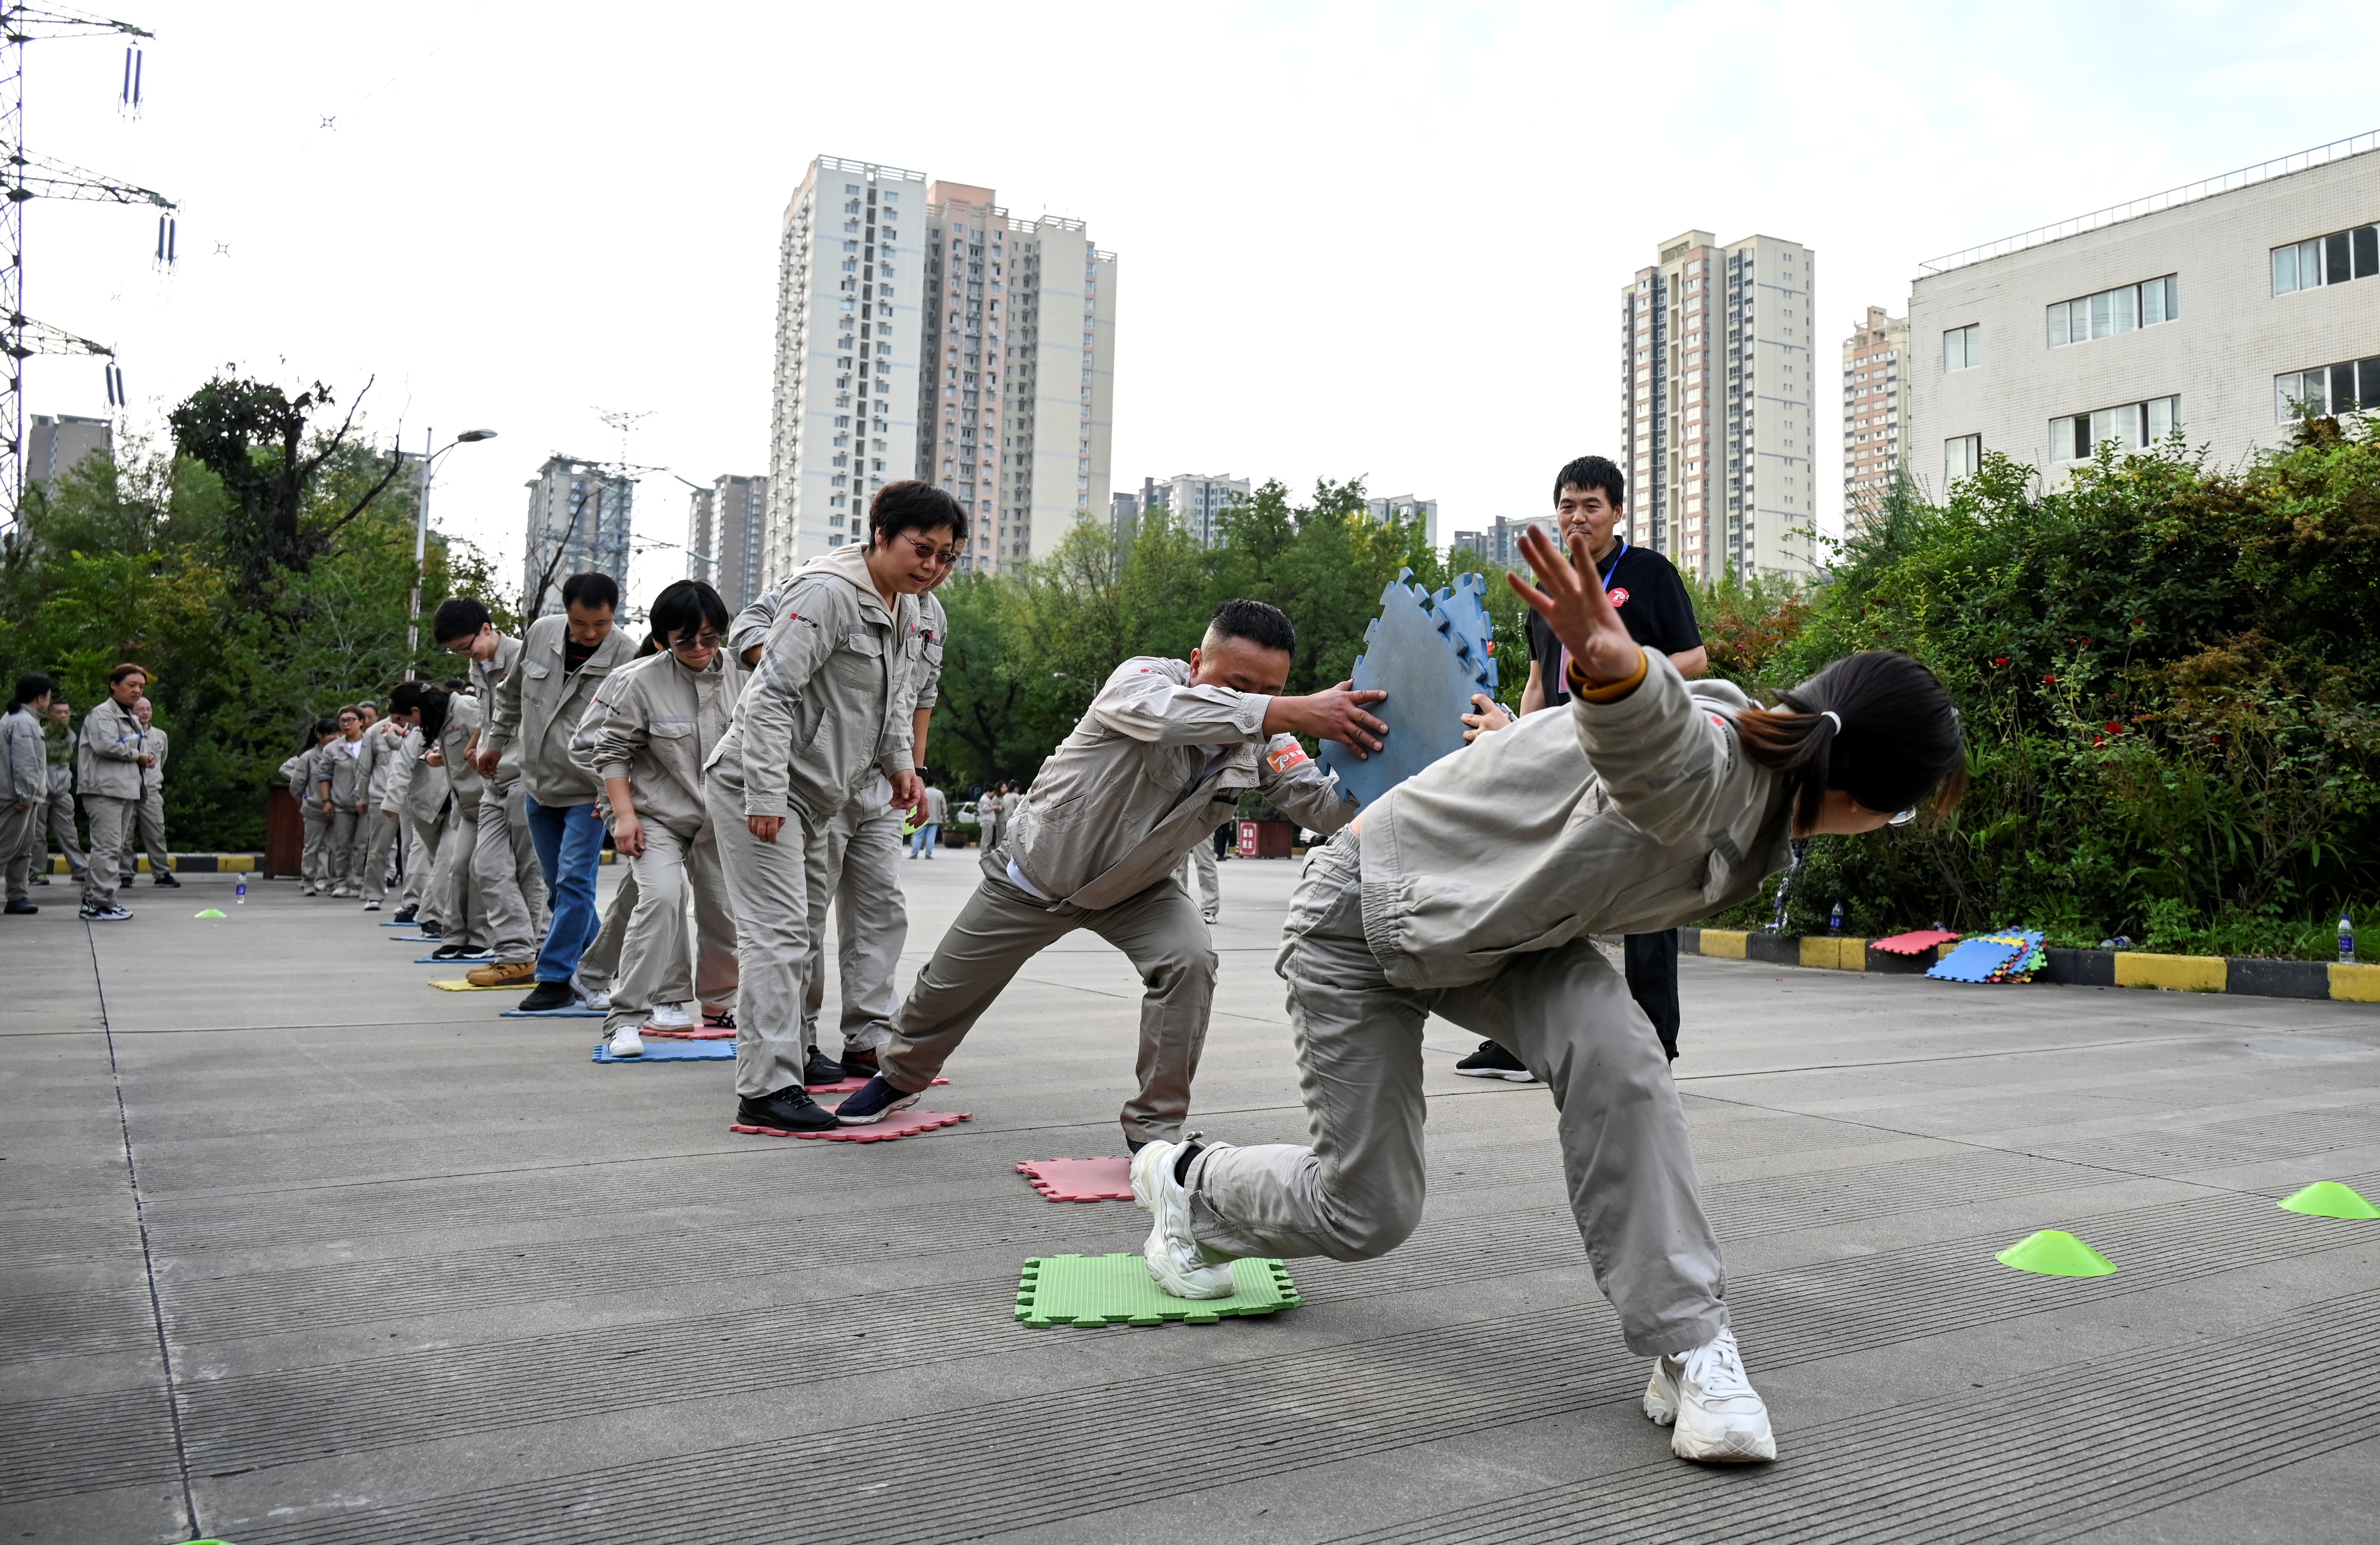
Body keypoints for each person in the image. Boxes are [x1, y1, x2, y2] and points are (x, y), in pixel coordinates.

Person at [1133, 524, 1968, 1465]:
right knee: (1366, 1210)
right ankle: (1188, 1184)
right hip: (1366, 917)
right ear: (1872, 795)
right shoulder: (1724, 762)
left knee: (1622, 1053)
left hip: (1508, 934)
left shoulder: (1767, 800)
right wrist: (1615, 668)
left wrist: (1574, 703)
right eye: (1901, 812)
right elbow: (1661, 746)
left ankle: (1688, 1344)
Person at [836, 598, 1385, 1146]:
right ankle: (901, 1076)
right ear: (1196, 663)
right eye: (1239, 685)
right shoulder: (1141, 681)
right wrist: (1286, 712)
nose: (1257, 703)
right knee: (944, 990)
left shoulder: (1268, 738)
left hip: (1137, 891)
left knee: (1190, 959)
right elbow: (1164, 716)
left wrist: (1389, 762)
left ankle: (1153, 1130)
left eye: (1273, 691)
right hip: (1034, 877)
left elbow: (1322, 808)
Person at [706, 481, 949, 1136]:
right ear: (880, 537)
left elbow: (894, 702)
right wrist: (763, 794)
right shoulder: (827, 594)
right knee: (779, 934)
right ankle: (766, 1086)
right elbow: (769, 695)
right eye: (920, 549)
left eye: (945, 556)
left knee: (799, 931)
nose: (931, 566)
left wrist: (905, 768)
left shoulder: (909, 608)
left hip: (818, 794)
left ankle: (790, 1064)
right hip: (761, 786)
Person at [1457, 455, 1707, 1076]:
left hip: (1638, 752)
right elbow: (1540, 683)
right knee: (1540, 886)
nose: (1578, 517)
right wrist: (1516, 747)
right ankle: (1522, 1037)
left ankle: (1655, 1044)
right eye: (1567, 505)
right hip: (1563, 759)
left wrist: (1628, 682)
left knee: (1646, 895)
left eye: (1591, 505)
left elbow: (1695, 658)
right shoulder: (1546, 590)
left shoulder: (1648, 573)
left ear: (1617, 512)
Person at [576, 580, 744, 1057]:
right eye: (684, 640)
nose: (699, 649)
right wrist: (623, 816)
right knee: (662, 900)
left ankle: (719, 1006)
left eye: (710, 637)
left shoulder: (744, 676)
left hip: (723, 818)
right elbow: (607, 751)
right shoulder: (640, 681)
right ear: (660, 640)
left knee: (724, 914)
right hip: (658, 818)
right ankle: (626, 1017)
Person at [478, 573, 636, 1011]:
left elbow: (633, 733)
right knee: (560, 889)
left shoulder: (628, 654)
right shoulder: (541, 633)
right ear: (566, 612)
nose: (590, 633)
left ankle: (555, 978)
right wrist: (495, 741)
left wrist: (616, 800)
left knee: (573, 883)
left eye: (600, 624)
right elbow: (511, 695)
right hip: (537, 784)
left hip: (589, 791)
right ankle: (607, 961)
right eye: (581, 623)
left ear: (614, 614)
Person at [434, 598, 549, 987]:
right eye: (456, 651)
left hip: (524, 776)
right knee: (486, 866)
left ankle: (530, 952)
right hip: (493, 779)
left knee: (529, 870)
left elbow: (530, 714)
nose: (465, 655)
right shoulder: (478, 664)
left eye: (466, 646)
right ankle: (515, 952)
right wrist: (479, 742)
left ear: (486, 629)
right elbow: (493, 715)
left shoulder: (524, 657)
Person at [77, 663, 152, 921]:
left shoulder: (129, 715)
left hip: (125, 790)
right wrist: (138, 756)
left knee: (114, 849)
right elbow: (104, 745)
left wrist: (143, 758)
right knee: (107, 848)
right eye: (131, 685)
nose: (137, 691)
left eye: (141, 687)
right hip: (104, 790)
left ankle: (93, 899)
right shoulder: (102, 714)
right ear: (114, 685)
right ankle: (102, 904)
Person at [318, 706, 381, 899]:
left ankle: (359, 882)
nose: (346, 724)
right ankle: (341, 882)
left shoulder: (372, 743)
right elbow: (324, 775)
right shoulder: (333, 749)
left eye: (350, 720)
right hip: (342, 803)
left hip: (366, 802)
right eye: (343, 721)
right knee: (342, 845)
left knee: (363, 845)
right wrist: (326, 800)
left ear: (361, 722)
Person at [3, 673, 53, 914]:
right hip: (16, 798)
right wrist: (26, 796)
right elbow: (25, 764)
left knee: (23, 850)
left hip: (25, 797)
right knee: (5, 848)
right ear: (40, 697)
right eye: (49, 696)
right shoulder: (23, 722)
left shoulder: (20, 719)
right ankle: (17, 896)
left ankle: (18, 896)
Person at [118, 695, 179, 888]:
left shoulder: (160, 736)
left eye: (148, 709)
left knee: (156, 834)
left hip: (151, 791)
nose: (145, 713)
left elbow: (163, 760)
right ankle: (124, 874)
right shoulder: (125, 734)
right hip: (127, 790)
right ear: (132, 711)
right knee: (124, 836)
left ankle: (162, 873)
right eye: (140, 709)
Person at [36, 697, 87, 885]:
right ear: (49, 715)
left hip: (62, 790)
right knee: (37, 835)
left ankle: (80, 869)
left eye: (67, 712)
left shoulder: (71, 736)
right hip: (41, 791)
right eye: (59, 712)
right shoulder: (41, 735)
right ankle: (37, 872)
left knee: (69, 832)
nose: (64, 715)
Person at [908, 782, 947, 858]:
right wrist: (944, 816)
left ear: (925, 784)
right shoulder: (939, 793)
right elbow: (944, 806)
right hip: (935, 819)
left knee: (918, 836)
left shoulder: (922, 792)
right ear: (934, 784)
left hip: (922, 818)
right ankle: (928, 854)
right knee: (931, 837)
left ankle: (914, 854)